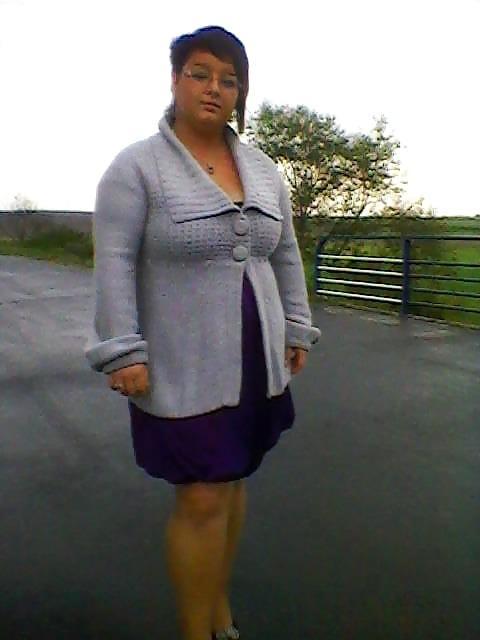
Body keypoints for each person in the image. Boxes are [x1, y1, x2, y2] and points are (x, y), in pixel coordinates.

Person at [84, 25, 321, 640]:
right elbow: (113, 261)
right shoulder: (136, 168)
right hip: (180, 360)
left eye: (229, 80)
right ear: (175, 80)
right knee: (201, 496)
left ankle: (217, 608)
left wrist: (297, 326)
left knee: (232, 481)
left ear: (240, 93)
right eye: (200, 73)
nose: (214, 88)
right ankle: (197, 629)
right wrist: (122, 349)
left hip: (255, 355)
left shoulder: (263, 170)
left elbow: (285, 252)